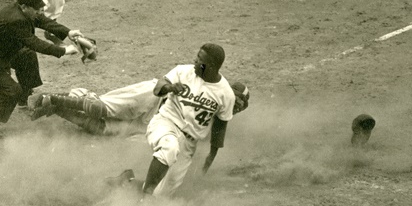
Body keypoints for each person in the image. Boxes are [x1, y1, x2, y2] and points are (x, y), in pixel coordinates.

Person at [0, 0, 84, 138]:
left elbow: (42, 20)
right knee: (11, 90)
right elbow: (34, 43)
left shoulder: (24, 11)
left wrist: (68, 32)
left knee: (27, 56)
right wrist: (63, 51)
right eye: (37, 9)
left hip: (4, 54)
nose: (40, 11)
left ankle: (24, 101)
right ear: (24, 7)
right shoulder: (15, 20)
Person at [137, 44, 237, 197]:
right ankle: (143, 197)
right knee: (169, 147)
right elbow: (158, 88)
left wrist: (211, 156)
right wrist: (169, 88)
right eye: (197, 57)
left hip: (189, 143)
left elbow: (220, 127)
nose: (195, 61)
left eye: (200, 60)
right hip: (166, 123)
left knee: (162, 195)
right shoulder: (183, 71)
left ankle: (128, 181)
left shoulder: (226, 94)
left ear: (210, 66)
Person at [29, 79, 250, 137]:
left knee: (98, 128)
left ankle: (55, 106)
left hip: (152, 123)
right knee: (99, 107)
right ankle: (54, 97)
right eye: (236, 101)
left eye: (241, 106)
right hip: (151, 97)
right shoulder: (210, 90)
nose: (236, 107)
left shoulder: (220, 117)